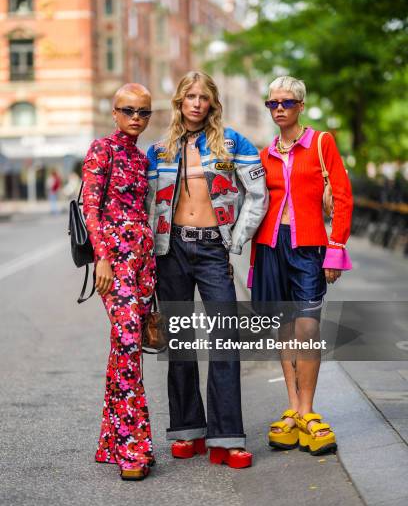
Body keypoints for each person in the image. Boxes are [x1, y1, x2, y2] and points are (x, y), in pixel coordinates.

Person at [146, 71, 268, 469]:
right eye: (190, 96)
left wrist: (236, 239)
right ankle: (187, 431)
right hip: (171, 249)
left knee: (225, 340)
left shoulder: (233, 142)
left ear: (213, 103)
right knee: (180, 342)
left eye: (204, 97)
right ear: (179, 102)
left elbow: (258, 194)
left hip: (213, 248)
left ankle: (226, 437)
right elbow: (144, 204)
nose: (197, 103)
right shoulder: (159, 151)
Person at [250, 76, 353, 455]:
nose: (279, 108)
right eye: (273, 103)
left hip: (309, 247)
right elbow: (254, 201)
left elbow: (342, 196)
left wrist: (336, 248)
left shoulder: (321, 143)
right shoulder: (264, 153)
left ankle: (307, 411)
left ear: (301, 106)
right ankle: (293, 410)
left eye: (287, 102)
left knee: (307, 328)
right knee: (285, 329)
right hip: (271, 247)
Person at [82, 83, 156, 481]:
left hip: (143, 263)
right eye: (128, 110)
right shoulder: (101, 150)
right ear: (114, 112)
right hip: (115, 262)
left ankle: (112, 440)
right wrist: (102, 258)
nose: (136, 118)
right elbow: (91, 208)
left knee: (124, 350)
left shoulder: (141, 159)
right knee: (127, 340)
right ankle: (134, 450)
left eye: (144, 112)